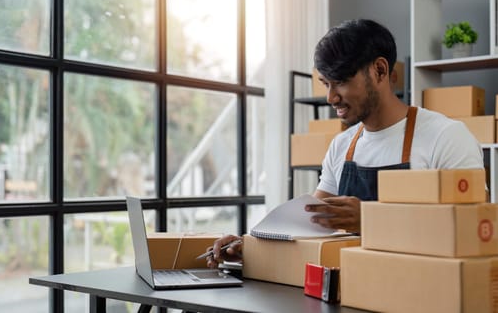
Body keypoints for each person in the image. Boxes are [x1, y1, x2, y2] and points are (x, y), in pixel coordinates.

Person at [205, 18, 484, 269]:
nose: (330, 97)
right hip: (348, 293)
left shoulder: (446, 137)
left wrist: (370, 220)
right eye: (326, 83)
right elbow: (307, 225)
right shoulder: (342, 146)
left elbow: (473, 230)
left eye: (339, 82)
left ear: (379, 70)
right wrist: (249, 247)